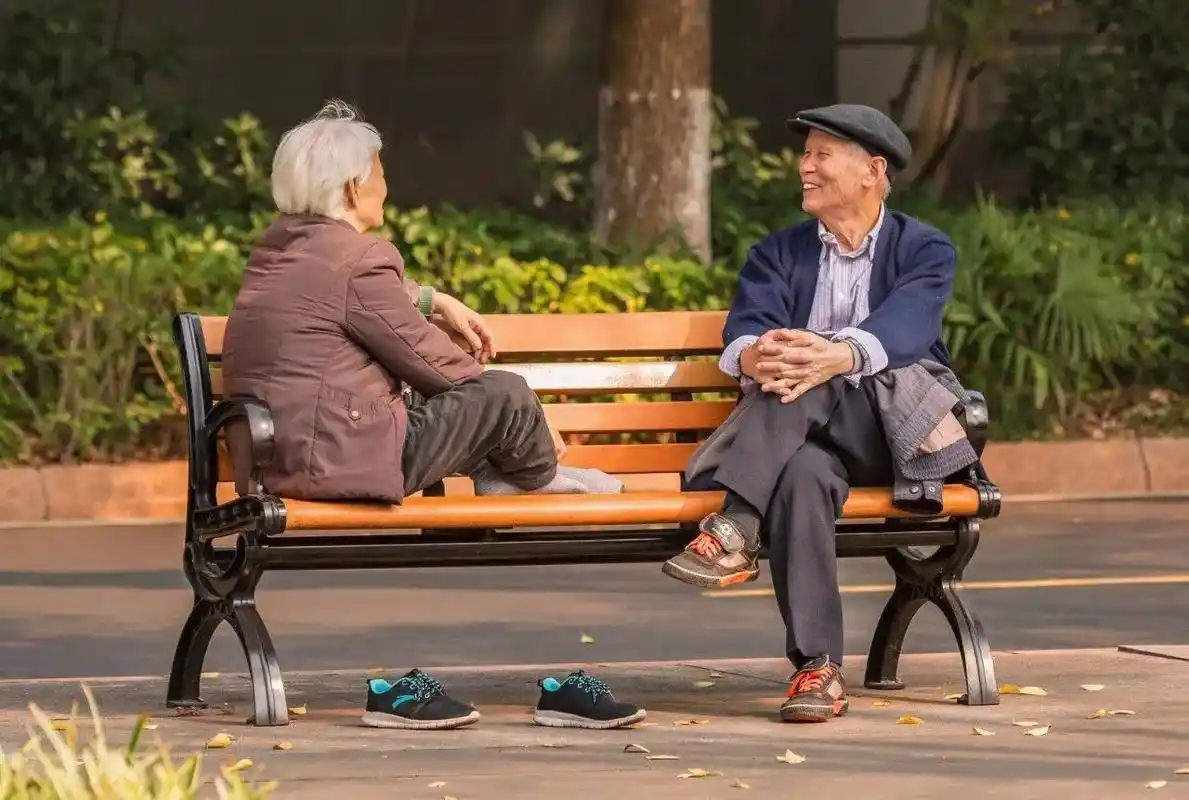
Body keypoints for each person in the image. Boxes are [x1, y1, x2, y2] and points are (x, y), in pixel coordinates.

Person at [221, 100, 627, 729]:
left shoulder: (278, 250)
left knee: (452, 402)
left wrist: (433, 298)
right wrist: (533, 417)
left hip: (282, 455)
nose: (387, 184)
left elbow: (348, 297)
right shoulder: (360, 258)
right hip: (343, 459)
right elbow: (444, 370)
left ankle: (509, 474)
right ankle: (532, 476)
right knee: (507, 391)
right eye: (381, 172)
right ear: (356, 185)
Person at [661, 104, 980, 725]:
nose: (804, 167)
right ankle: (818, 669)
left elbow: (907, 329)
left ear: (872, 170)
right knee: (804, 473)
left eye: (820, 155)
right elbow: (744, 331)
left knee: (816, 371)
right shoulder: (778, 251)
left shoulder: (925, 249)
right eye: (805, 154)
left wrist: (833, 354)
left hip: (890, 439)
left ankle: (735, 523)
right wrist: (758, 356)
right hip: (799, 443)